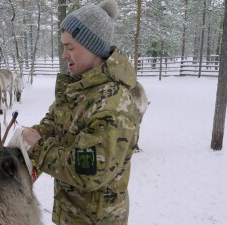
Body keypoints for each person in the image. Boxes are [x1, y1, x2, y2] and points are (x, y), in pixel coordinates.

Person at [8, 0, 141, 224]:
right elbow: (54, 124)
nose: (64, 55)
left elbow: (89, 172)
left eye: (70, 47)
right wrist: (25, 138)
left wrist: (38, 147)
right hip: (69, 213)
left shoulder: (114, 104)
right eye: (63, 47)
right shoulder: (78, 88)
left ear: (93, 47)